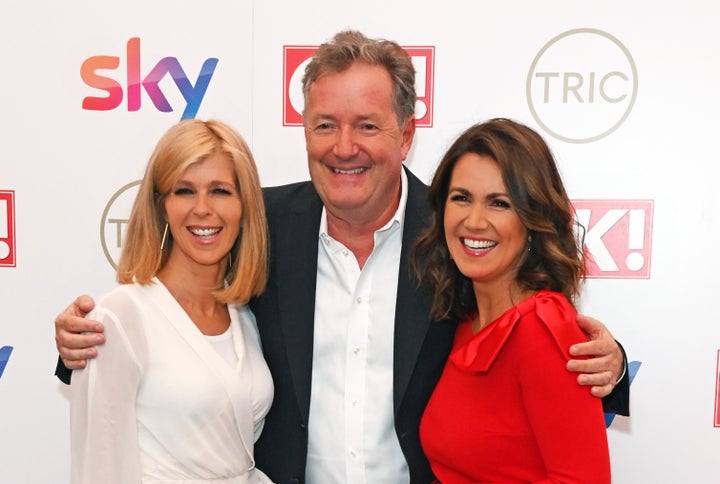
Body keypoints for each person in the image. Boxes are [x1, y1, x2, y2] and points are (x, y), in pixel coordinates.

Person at [55, 31, 628, 484]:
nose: (343, 147)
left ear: (405, 136)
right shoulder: (260, 223)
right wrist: (83, 344)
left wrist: (612, 364)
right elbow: (172, 321)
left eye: (367, 126)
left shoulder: (454, 234)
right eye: (325, 125)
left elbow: (514, 334)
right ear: (304, 130)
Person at [68, 119, 274, 484]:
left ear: (245, 207)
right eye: (184, 191)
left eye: (221, 191)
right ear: (161, 206)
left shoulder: (245, 316)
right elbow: (100, 469)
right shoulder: (120, 317)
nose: (202, 208)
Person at [414, 118, 611, 483]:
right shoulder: (462, 321)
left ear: (533, 219)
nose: (474, 221)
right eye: (461, 198)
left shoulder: (541, 329)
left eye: (499, 203)